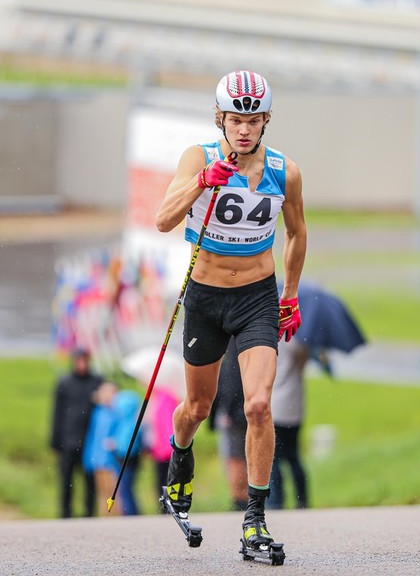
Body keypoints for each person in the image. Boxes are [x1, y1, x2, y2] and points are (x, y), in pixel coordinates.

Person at [155, 69, 307, 550]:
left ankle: (255, 518)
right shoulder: (198, 157)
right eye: (236, 119)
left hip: (257, 299)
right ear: (219, 118)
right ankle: (181, 459)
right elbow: (163, 219)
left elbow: (298, 232)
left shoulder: (286, 171)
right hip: (205, 298)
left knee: (259, 405)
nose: (244, 129)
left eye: (254, 120)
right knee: (196, 408)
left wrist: (291, 294)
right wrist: (202, 182)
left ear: (265, 122)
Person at [50, 348, 105, 518]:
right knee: (66, 480)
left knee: (90, 481)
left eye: (84, 360)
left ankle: (89, 512)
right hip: (68, 441)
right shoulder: (65, 383)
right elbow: (57, 413)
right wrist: (55, 439)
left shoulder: (97, 382)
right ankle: (65, 513)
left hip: (90, 441)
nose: (81, 364)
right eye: (78, 360)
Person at [82, 381, 144, 516]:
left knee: (116, 491)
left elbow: (121, 436)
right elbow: (94, 438)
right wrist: (90, 459)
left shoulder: (118, 413)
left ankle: (120, 517)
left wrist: (114, 445)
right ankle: (106, 517)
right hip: (98, 459)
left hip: (113, 460)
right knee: (102, 492)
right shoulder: (98, 412)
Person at [267, 337, 311, 510]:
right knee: (293, 456)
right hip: (294, 407)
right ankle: (302, 498)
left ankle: (276, 501)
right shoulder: (301, 345)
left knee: (275, 457)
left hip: (276, 405)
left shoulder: (273, 341)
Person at [211, 336, 249, 510]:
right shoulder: (248, 345)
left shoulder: (231, 350)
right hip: (247, 409)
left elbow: (229, 382)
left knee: (234, 458)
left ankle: (239, 498)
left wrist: (226, 409)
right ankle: (249, 495)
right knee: (246, 455)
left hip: (233, 414)